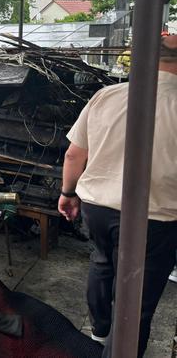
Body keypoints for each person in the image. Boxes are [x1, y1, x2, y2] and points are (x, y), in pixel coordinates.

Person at [58, 34, 177, 357]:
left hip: (98, 207)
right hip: (157, 217)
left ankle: (99, 332)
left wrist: (68, 193)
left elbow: (73, 155)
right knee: (137, 296)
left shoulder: (106, 96)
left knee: (102, 261)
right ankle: (120, 349)